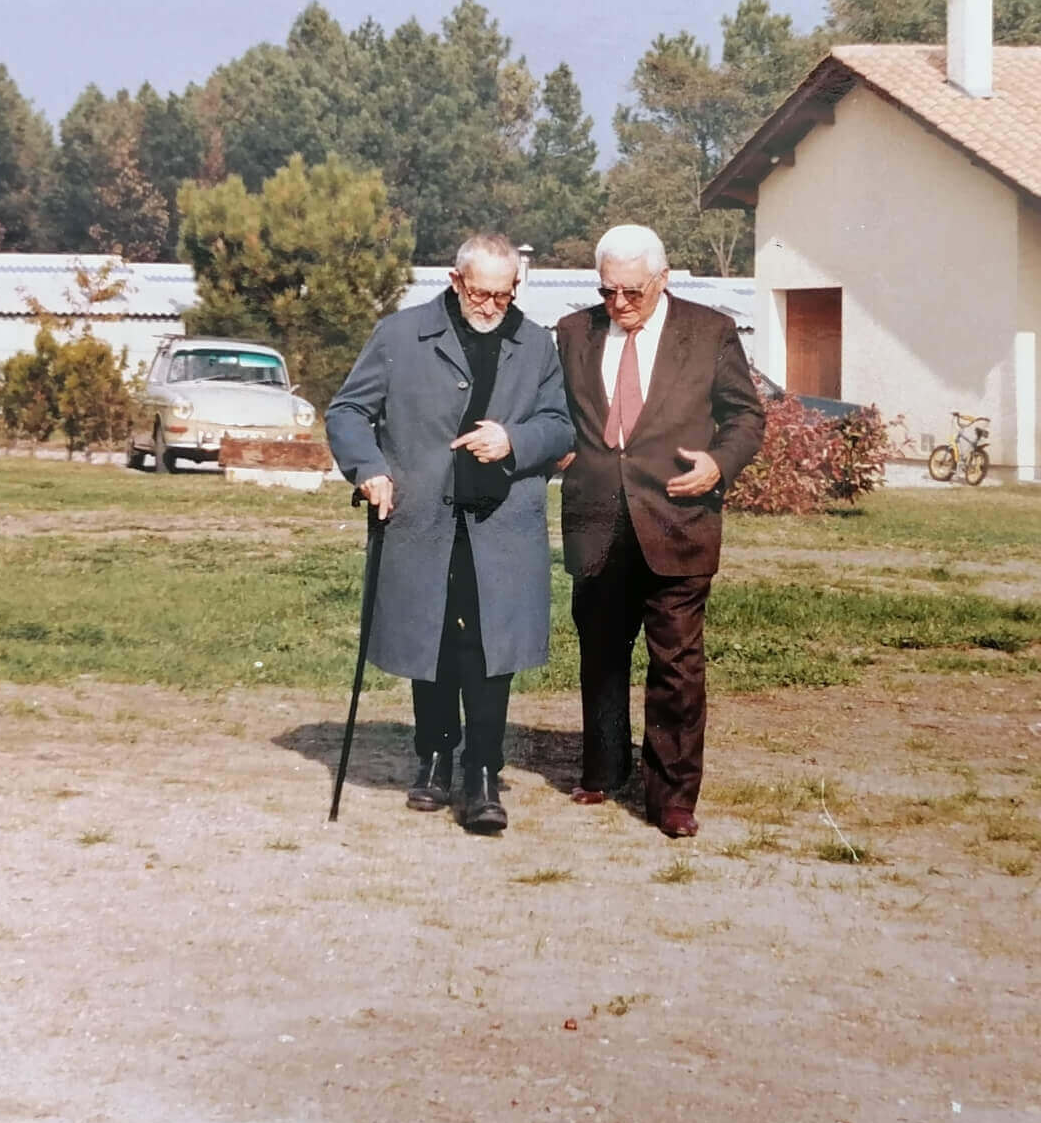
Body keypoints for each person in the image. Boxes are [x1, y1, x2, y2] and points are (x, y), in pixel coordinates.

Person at [325, 234, 572, 833]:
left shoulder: (537, 344)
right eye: (480, 293)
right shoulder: (399, 335)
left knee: (490, 651)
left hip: (502, 525)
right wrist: (371, 470)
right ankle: (433, 762)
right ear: (456, 282)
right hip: (423, 520)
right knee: (431, 642)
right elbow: (347, 412)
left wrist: (514, 439)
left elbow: (561, 426)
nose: (491, 307)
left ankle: (484, 775)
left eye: (503, 294)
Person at [554, 224, 765, 838]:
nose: (618, 304)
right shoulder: (573, 332)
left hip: (677, 519)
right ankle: (603, 768)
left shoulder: (710, 332)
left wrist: (719, 463)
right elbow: (554, 413)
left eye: (632, 293)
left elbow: (745, 417)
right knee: (599, 652)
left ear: (663, 280)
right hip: (595, 521)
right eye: (608, 291)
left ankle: (673, 796)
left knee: (676, 663)